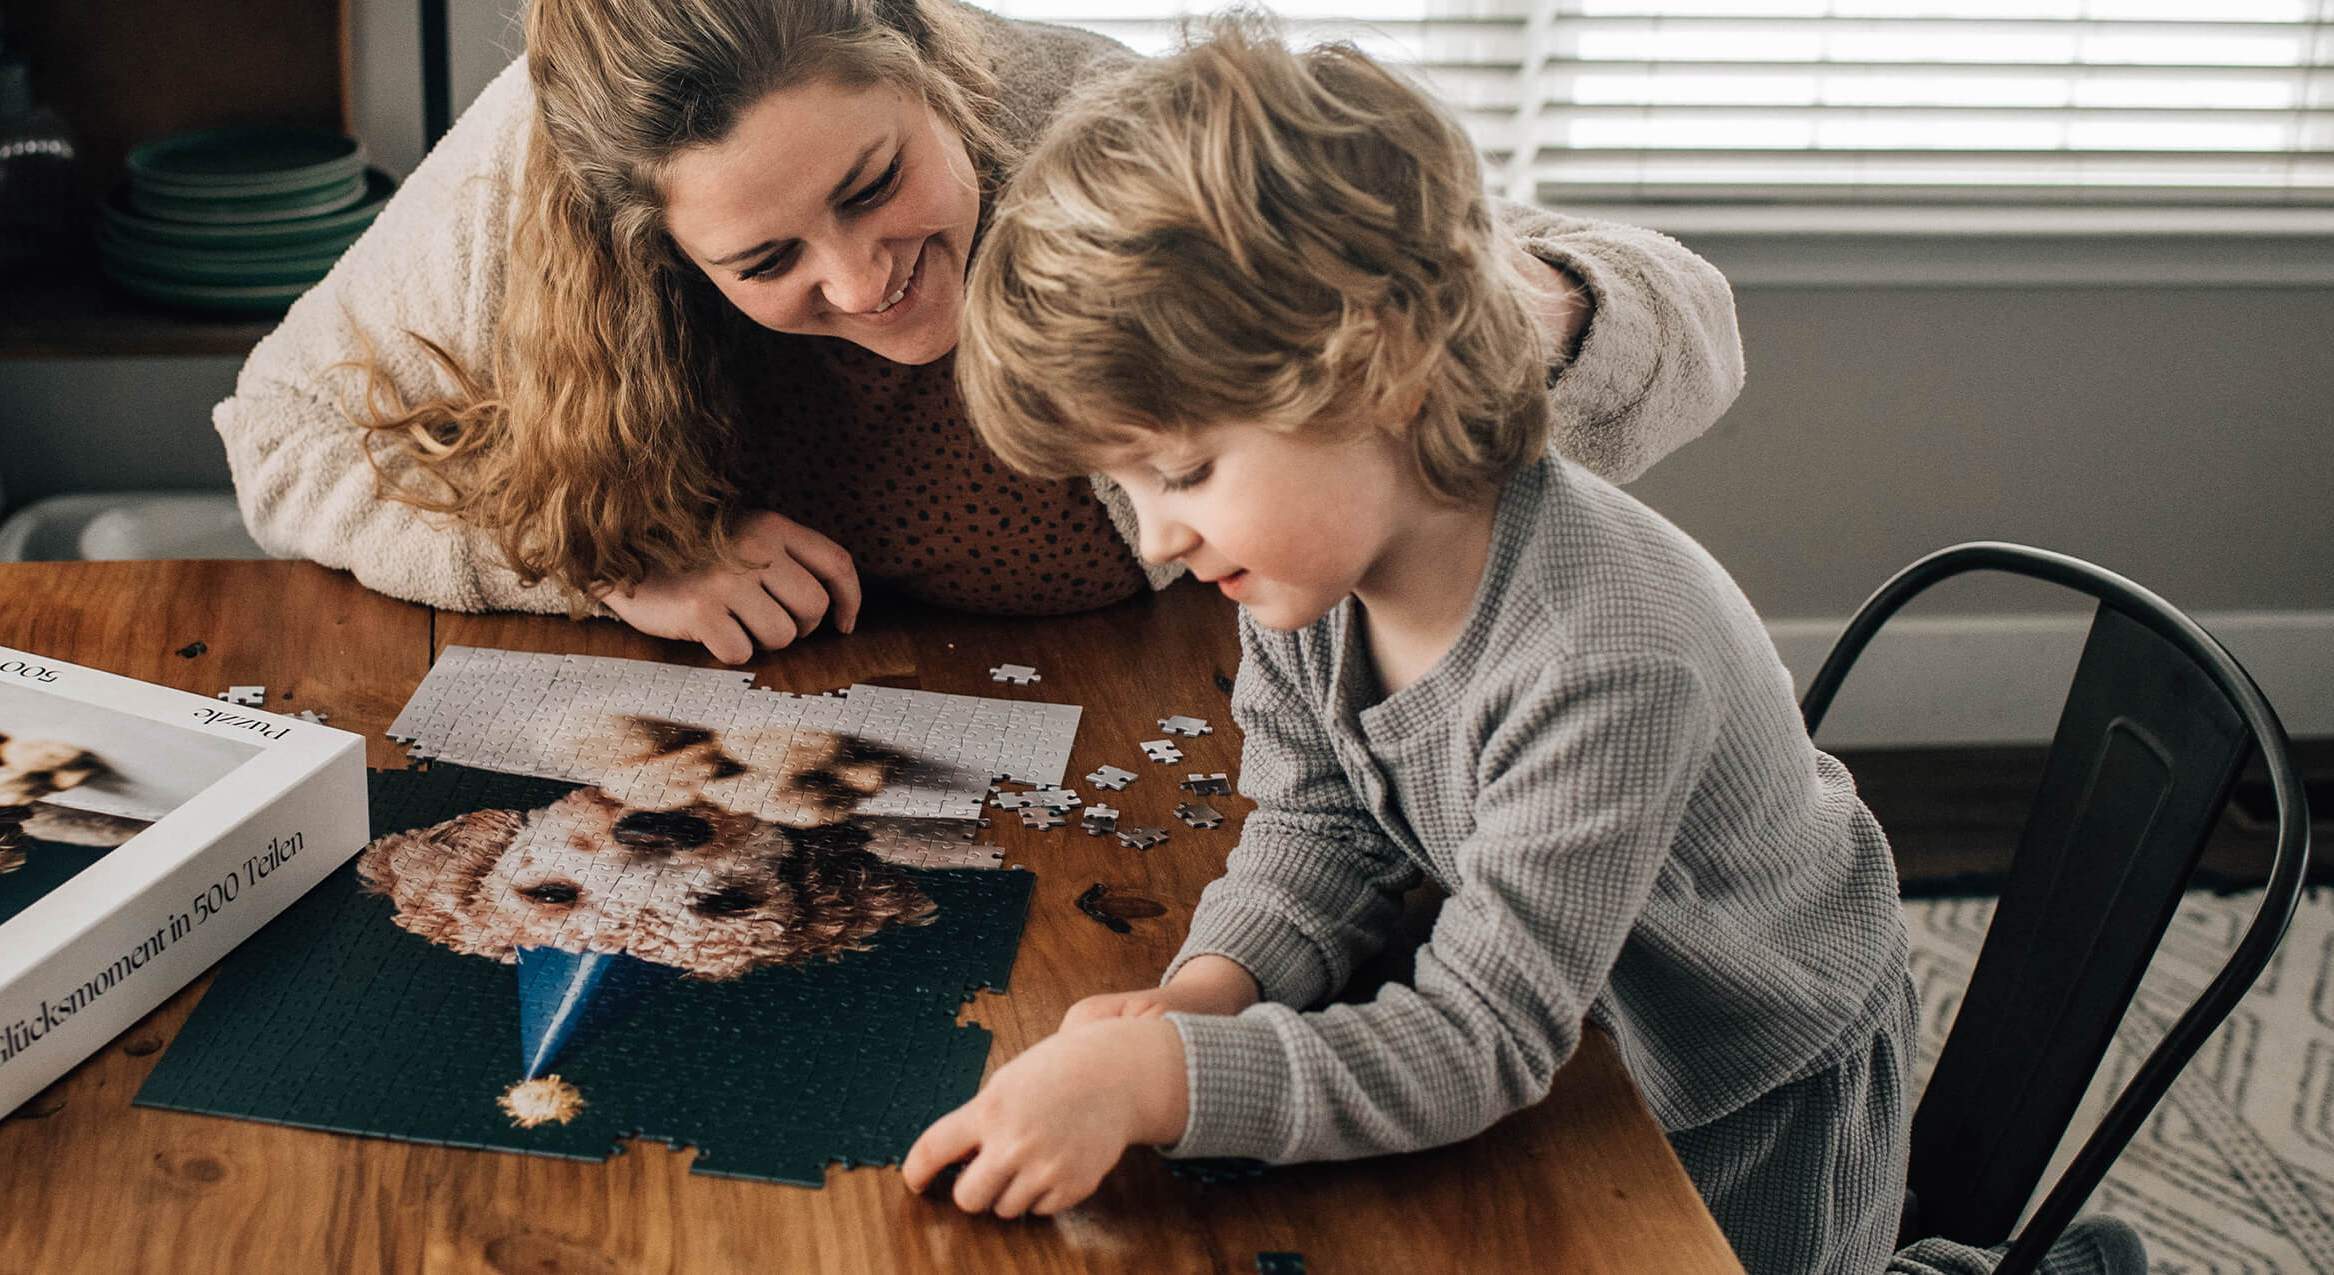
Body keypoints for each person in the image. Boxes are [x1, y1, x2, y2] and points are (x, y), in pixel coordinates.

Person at [896, 23, 1934, 1275]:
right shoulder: (1305, 573)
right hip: (1578, 1016)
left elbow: (1487, 1038)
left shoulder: (1606, 656)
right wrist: (1210, 990)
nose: (1158, 534)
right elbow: (1325, 821)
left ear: (1377, 375)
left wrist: (1166, 1079)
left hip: (1742, 1077)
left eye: (1181, 469)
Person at [213, 0, 1743, 664]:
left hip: (1159, 722)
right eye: (765, 258)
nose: (863, 277)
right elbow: (275, 436)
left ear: (929, 69)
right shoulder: (536, 175)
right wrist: (607, 554)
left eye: (877, 183)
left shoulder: (1083, 133)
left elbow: (1689, 316)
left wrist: (1489, 313)